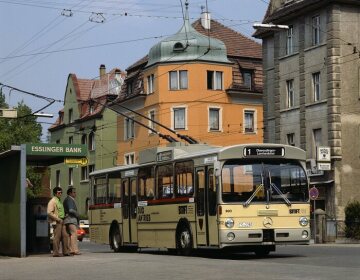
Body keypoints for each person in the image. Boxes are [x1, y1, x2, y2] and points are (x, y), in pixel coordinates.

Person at [47, 186, 71, 257]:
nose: (60, 193)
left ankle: (66, 252)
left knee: (65, 236)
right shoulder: (52, 201)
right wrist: (57, 219)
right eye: (59, 192)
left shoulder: (59, 200)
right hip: (57, 221)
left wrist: (65, 216)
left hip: (62, 220)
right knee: (57, 237)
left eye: (61, 192)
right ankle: (56, 253)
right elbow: (49, 212)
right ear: (55, 193)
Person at [63, 187, 81, 255]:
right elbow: (70, 210)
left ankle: (70, 249)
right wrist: (77, 214)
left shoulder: (67, 199)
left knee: (70, 235)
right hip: (71, 219)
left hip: (68, 220)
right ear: (70, 193)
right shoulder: (69, 199)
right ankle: (74, 250)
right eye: (74, 192)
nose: (75, 193)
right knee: (74, 234)